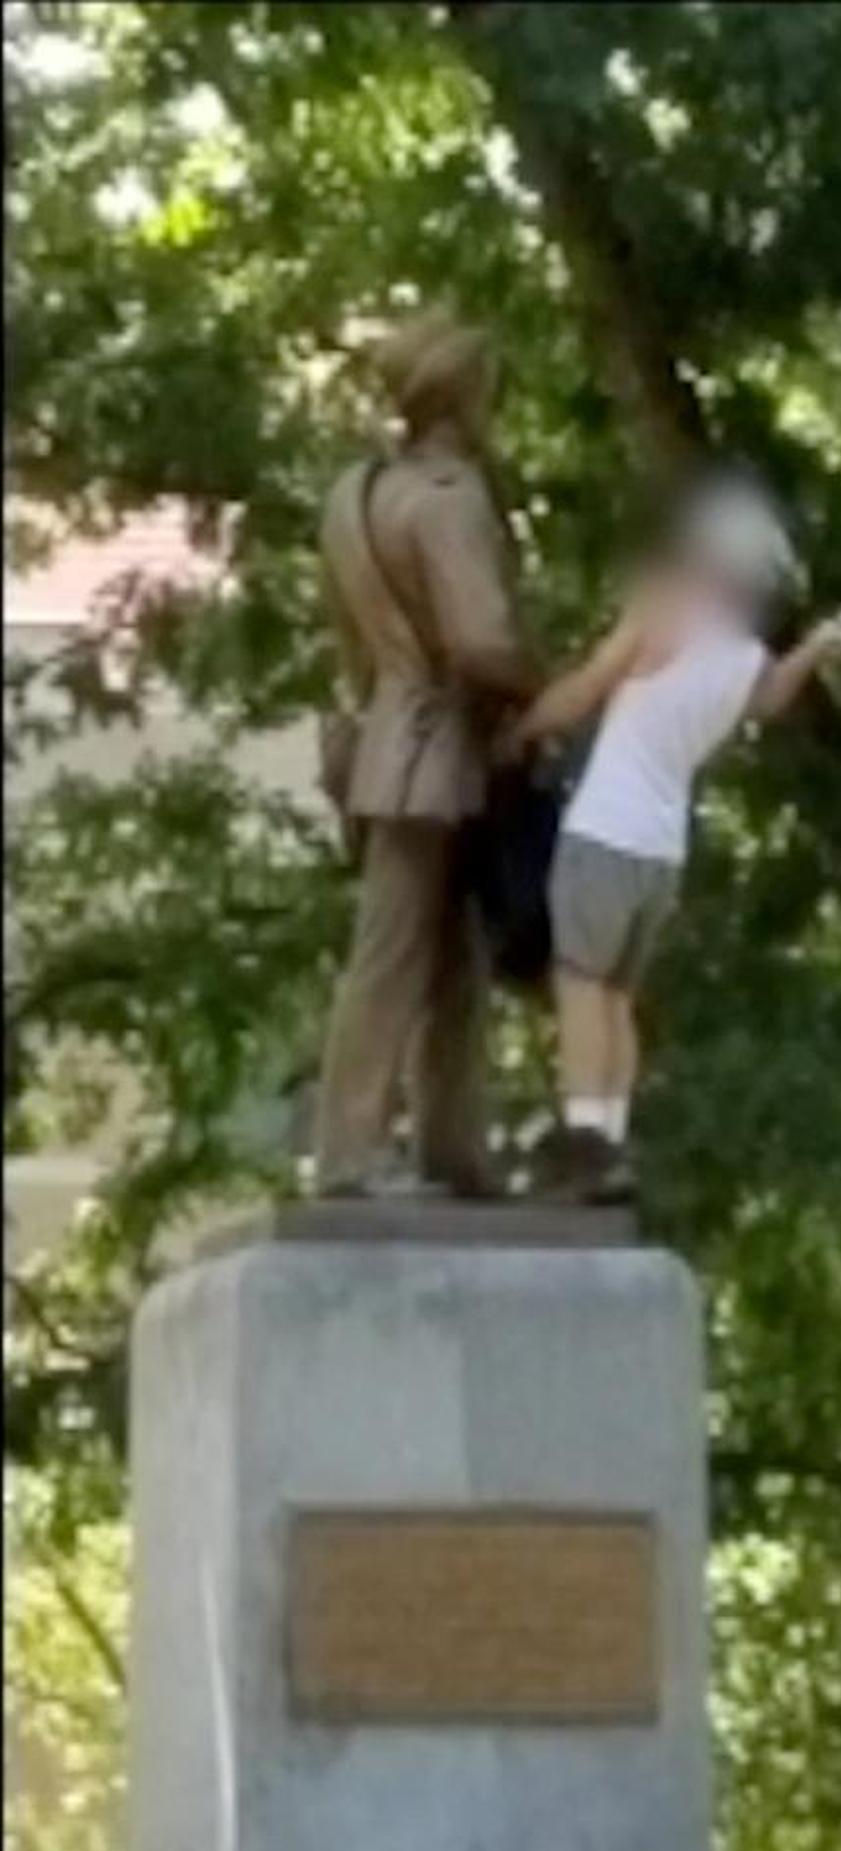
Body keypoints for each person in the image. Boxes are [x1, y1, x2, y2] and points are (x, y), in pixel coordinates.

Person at [497, 473, 841, 1204]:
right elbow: (770, 698)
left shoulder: (664, 612)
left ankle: (586, 1141)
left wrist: (524, 729)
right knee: (619, 997)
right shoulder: (743, 656)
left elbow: (589, 685)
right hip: (663, 853)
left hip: (604, 829)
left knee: (579, 986)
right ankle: (614, 1137)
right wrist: (819, 648)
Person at [313, 306, 534, 1199]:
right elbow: (480, 642)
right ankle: (349, 1150)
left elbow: (352, 643)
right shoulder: (450, 500)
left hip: (382, 734)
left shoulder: (355, 495)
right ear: (461, 395)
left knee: (452, 956)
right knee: (397, 951)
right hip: (436, 745)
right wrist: (547, 686)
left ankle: (454, 1149)